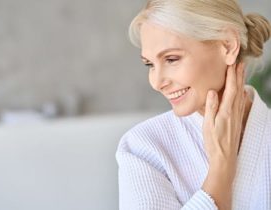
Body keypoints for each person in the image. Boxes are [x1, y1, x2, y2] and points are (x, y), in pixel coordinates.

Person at [115, 0, 271, 209]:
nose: (157, 82)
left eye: (171, 59)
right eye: (150, 64)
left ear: (228, 45)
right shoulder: (142, 147)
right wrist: (220, 171)